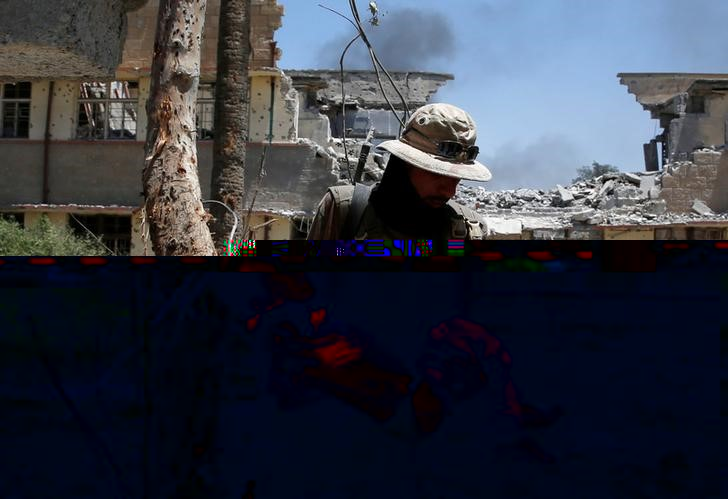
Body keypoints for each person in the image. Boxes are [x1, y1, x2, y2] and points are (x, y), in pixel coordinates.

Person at [307, 103, 492, 240]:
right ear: (405, 164)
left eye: (456, 178)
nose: (449, 192)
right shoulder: (346, 210)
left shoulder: (468, 229)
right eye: (438, 175)